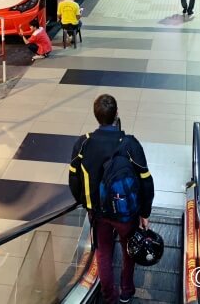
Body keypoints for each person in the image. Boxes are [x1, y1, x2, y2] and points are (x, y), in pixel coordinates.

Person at [69, 94, 154, 304]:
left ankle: (110, 297)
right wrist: (144, 212)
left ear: (96, 116)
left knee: (103, 254)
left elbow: (73, 179)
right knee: (129, 250)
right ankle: (127, 290)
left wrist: (85, 203)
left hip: (99, 213)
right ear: (116, 114)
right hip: (127, 214)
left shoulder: (83, 144)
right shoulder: (130, 144)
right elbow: (145, 182)